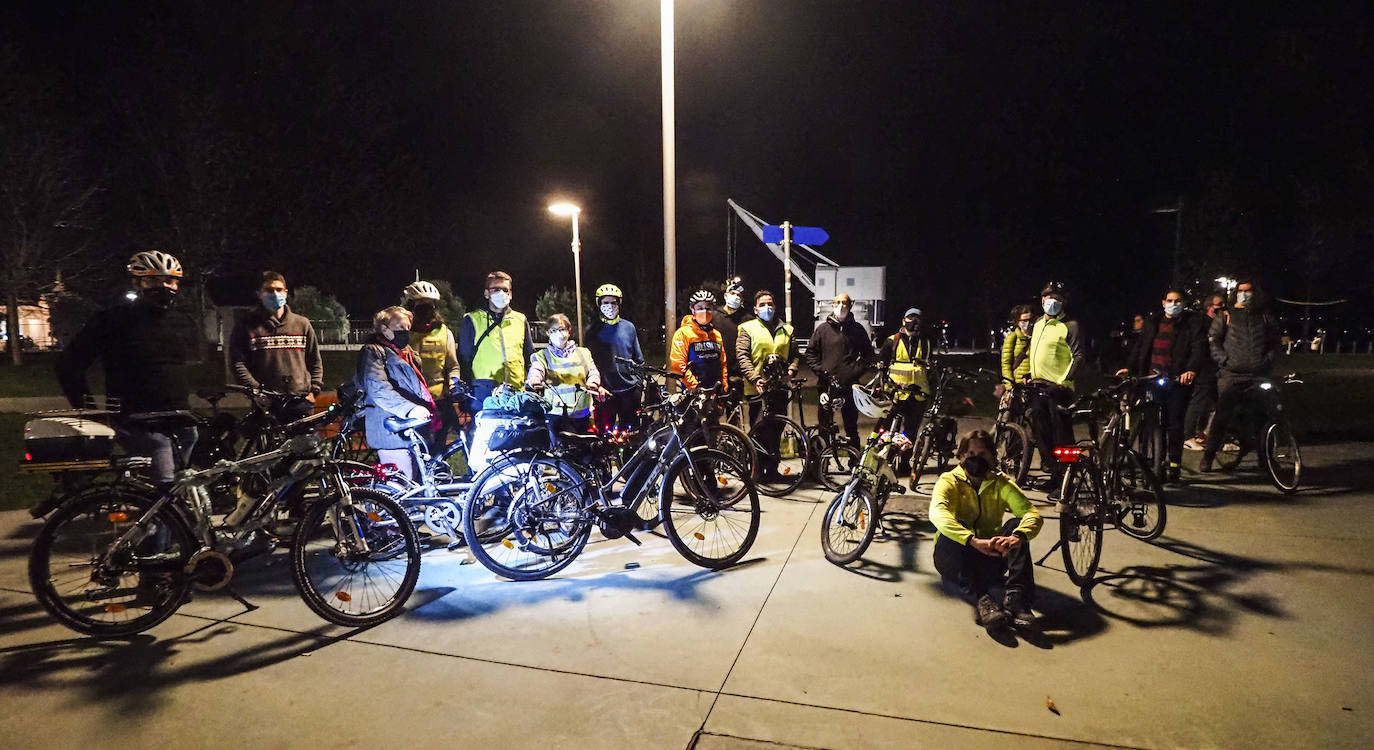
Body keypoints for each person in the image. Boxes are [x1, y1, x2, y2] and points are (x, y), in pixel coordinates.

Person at [56, 251, 197, 484]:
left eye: (170, 281)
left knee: (184, 489)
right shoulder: (112, 320)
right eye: (153, 280)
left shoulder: (175, 321)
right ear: (137, 282)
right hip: (140, 423)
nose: (164, 287)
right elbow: (69, 365)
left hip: (179, 421)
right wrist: (90, 411)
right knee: (165, 490)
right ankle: (156, 520)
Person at [929, 429, 1042, 630]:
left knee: (1017, 526)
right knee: (953, 529)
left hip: (990, 555)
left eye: (982, 454)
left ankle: (1017, 599)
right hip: (954, 560)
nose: (976, 459)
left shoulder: (1001, 483)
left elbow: (1030, 513)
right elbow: (938, 514)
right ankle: (982, 601)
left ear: (992, 456)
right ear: (961, 456)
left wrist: (1018, 537)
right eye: (970, 454)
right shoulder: (948, 481)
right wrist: (971, 540)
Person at [1116, 288, 1208, 484]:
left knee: (1175, 423)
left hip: (1177, 380)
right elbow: (1141, 347)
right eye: (1169, 300)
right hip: (1151, 379)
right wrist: (1128, 368)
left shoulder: (1192, 323)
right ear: (1163, 302)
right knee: (1151, 422)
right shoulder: (1153, 323)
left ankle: (1173, 464)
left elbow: (1198, 348)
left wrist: (1190, 370)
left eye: (1177, 300)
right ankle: (1152, 461)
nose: (1173, 304)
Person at [1200, 279, 1280, 473]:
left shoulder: (1264, 317)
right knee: (1222, 416)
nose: (1244, 294)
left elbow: (1274, 343)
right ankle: (1208, 456)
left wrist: (1267, 361)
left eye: (1248, 290)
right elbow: (1213, 341)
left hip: (1258, 374)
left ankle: (1266, 459)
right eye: (1241, 290)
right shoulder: (1225, 315)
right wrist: (1224, 360)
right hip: (1231, 374)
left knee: (1264, 417)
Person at [229, 271, 323, 424]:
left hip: (300, 401)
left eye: (279, 290)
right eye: (269, 290)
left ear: (285, 293)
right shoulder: (246, 325)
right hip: (266, 402)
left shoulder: (302, 324)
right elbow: (238, 363)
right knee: (269, 448)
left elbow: (314, 360)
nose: (274, 294)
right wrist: (256, 391)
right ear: (259, 294)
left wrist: (313, 391)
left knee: (303, 447)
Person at [357, 306, 436, 480]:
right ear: (384, 329)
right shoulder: (373, 351)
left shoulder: (409, 354)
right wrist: (410, 409)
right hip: (390, 428)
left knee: (415, 484)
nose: (405, 333)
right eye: (400, 328)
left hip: (411, 428)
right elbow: (378, 389)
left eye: (407, 328)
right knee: (401, 487)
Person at [1027, 281, 1086, 500]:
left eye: (1058, 299)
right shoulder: (1038, 323)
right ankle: (1055, 476)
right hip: (1037, 386)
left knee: (1062, 439)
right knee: (1043, 436)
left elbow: (1078, 356)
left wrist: (1062, 381)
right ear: (1042, 300)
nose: (1052, 302)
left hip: (1058, 389)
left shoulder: (1070, 325)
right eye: (1049, 297)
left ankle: (1067, 482)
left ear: (1063, 303)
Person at [736, 290, 797, 481]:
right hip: (757, 388)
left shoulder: (787, 329)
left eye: (769, 303)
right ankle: (756, 470)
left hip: (779, 387)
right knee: (758, 430)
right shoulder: (747, 328)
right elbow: (742, 356)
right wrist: (754, 378)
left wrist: (791, 371)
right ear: (755, 309)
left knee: (776, 429)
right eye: (762, 305)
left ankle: (772, 469)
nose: (767, 307)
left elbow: (795, 354)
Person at [458, 270, 534, 413]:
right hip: (483, 393)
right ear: (487, 293)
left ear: (510, 294)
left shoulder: (520, 319)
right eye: (496, 289)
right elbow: (464, 359)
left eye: (505, 290)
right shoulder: (472, 319)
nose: (501, 293)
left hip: (516, 392)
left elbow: (529, 354)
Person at [805, 293, 874, 446]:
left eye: (844, 303)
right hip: (826, 386)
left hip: (849, 387)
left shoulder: (857, 329)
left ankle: (854, 462)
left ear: (850, 306)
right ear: (832, 304)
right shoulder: (822, 329)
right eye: (837, 302)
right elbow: (810, 353)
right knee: (824, 427)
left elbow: (868, 355)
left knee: (851, 426)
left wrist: (854, 371)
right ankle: (822, 463)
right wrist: (820, 371)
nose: (841, 306)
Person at [403, 280, 461, 452]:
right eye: (421, 305)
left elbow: (452, 365)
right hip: (412, 402)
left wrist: (454, 384)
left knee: (439, 448)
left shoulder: (444, 332)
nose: (426, 309)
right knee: (417, 450)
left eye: (430, 305)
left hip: (440, 402)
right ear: (410, 306)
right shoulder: (402, 333)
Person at [583, 283, 645, 433]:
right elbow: (587, 362)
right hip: (604, 393)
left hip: (629, 391)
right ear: (599, 304)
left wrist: (638, 384)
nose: (610, 306)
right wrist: (597, 387)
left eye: (613, 302)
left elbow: (639, 359)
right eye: (605, 303)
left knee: (631, 436)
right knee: (604, 436)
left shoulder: (628, 327)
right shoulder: (592, 330)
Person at [876, 307, 931, 474]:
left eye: (917, 318)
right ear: (903, 321)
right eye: (910, 318)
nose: (913, 322)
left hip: (918, 396)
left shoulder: (926, 343)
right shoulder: (892, 341)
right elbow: (881, 367)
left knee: (910, 431)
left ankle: (905, 462)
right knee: (889, 429)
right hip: (895, 394)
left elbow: (929, 369)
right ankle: (888, 459)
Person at [527, 313, 603, 433]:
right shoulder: (542, 356)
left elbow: (593, 371)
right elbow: (536, 369)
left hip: (582, 415)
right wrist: (534, 379)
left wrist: (593, 382)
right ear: (548, 333)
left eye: (562, 329)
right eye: (554, 330)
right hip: (555, 415)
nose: (559, 333)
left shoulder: (584, 353)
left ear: (569, 330)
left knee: (583, 449)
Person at [1183, 292, 1227, 451]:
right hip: (1204, 367)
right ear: (1209, 307)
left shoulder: (1216, 322)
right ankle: (1188, 436)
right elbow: (1200, 346)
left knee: (1216, 403)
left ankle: (1205, 433)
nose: (1223, 307)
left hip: (1215, 367)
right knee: (1199, 400)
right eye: (1219, 304)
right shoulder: (1202, 322)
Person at [669, 289, 728, 391]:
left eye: (708, 308)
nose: (704, 311)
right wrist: (695, 387)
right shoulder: (683, 333)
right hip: (693, 392)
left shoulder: (716, 334)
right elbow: (678, 364)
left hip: (716, 389)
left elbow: (722, 362)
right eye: (700, 308)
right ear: (693, 310)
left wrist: (724, 384)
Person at [714, 276, 750, 397]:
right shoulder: (714, 316)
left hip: (737, 372)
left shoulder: (747, 319)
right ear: (725, 296)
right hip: (716, 370)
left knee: (735, 410)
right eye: (733, 293)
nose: (735, 297)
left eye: (739, 295)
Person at [1000, 304, 1035, 386]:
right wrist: (1009, 384)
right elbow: (1006, 364)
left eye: (1030, 320)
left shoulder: (1038, 337)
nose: (1028, 323)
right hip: (1018, 384)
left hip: (1035, 383)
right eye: (1024, 320)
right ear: (1017, 321)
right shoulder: (1013, 338)